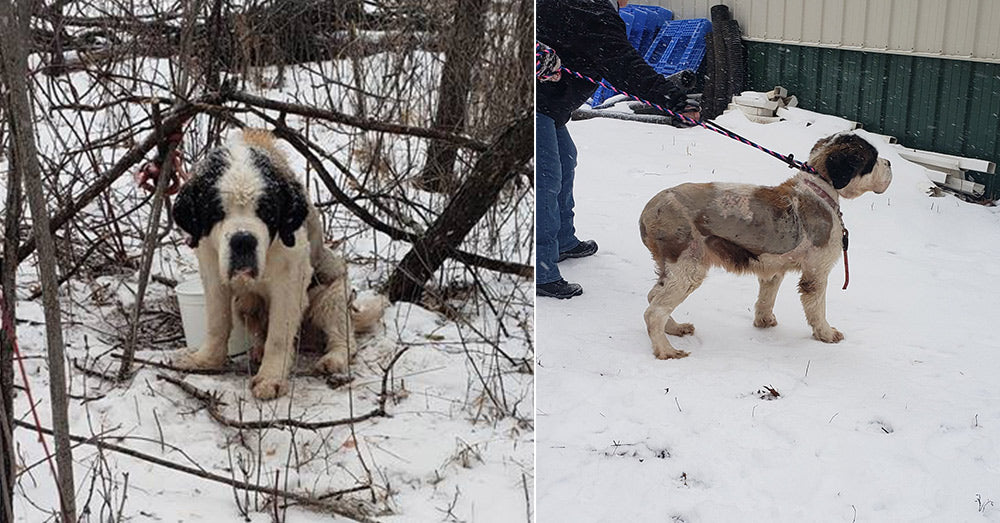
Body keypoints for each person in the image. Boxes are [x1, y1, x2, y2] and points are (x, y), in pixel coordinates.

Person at [535, 0, 700, 299]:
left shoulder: (578, 9)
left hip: (550, 103)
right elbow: (626, 67)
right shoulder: (592, 13)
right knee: (547, 175)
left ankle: (562, 241)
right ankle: (541, 270)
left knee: (565, 159)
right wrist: (673, 101)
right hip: (538, 103)